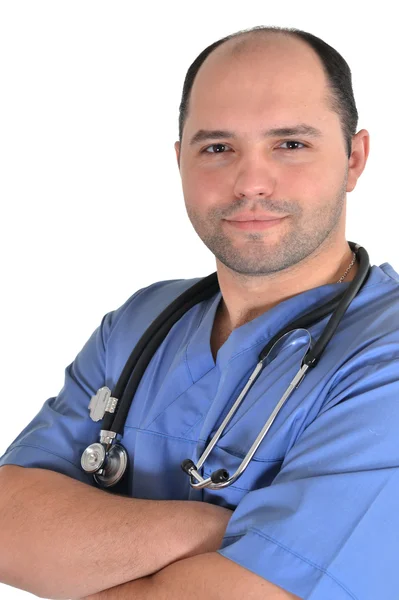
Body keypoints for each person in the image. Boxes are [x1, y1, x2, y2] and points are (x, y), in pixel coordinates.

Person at [0, 23, 398, 600]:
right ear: (180, 159)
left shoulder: (384, 357)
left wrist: (81, 555)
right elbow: (9, 520)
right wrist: (229, 531)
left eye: (290, 144)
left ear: (355, 159)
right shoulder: (139, 323)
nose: (251, 181)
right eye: (217, 147)